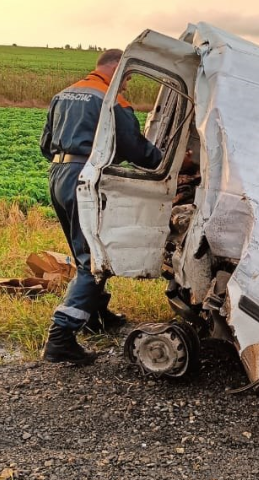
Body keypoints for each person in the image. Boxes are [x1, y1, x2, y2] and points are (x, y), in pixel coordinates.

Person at [39, 49, 162, 364]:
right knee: (93, 261)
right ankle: (61, 338)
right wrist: (171, 163)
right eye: (127, 78)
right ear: (117, 68)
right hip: (86, 179)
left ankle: (95, 316)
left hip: (58, 175)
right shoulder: (110, 98)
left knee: (87, 253)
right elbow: (137, 149)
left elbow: (45, 145)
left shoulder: (64, 94)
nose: (126, 85)